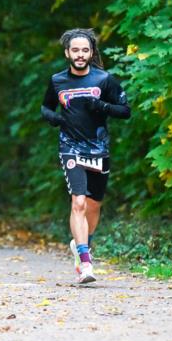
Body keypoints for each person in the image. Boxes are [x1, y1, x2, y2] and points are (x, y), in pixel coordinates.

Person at [39, 28, 131, 285]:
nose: (80, 55)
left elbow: (125, 111)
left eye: (85, 50)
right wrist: (52, 117)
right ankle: (85, 262)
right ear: (67, 52)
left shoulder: (104, 80)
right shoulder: (57, 81)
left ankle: (82, 244)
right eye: (75, 50)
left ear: (91, 52)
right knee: (78, 202)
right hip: (71, 147)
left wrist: (101, 106)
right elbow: (46, 105)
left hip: (98, 149)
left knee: (93, 206)